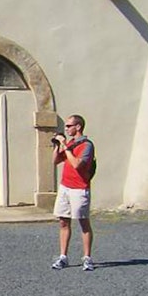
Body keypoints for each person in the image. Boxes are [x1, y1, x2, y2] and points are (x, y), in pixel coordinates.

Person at [50, 114, 95, 271]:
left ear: (78, 127)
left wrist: (66, 146)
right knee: (63, 221)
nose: (67, 128)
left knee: (83, 222)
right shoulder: (70, 143)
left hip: (79, 188)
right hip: (65, 187)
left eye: (69, 126)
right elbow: (56, 161)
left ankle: (87, 257)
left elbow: (77, 164)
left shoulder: (86, 145)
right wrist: (57, 146)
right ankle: (63, 256)